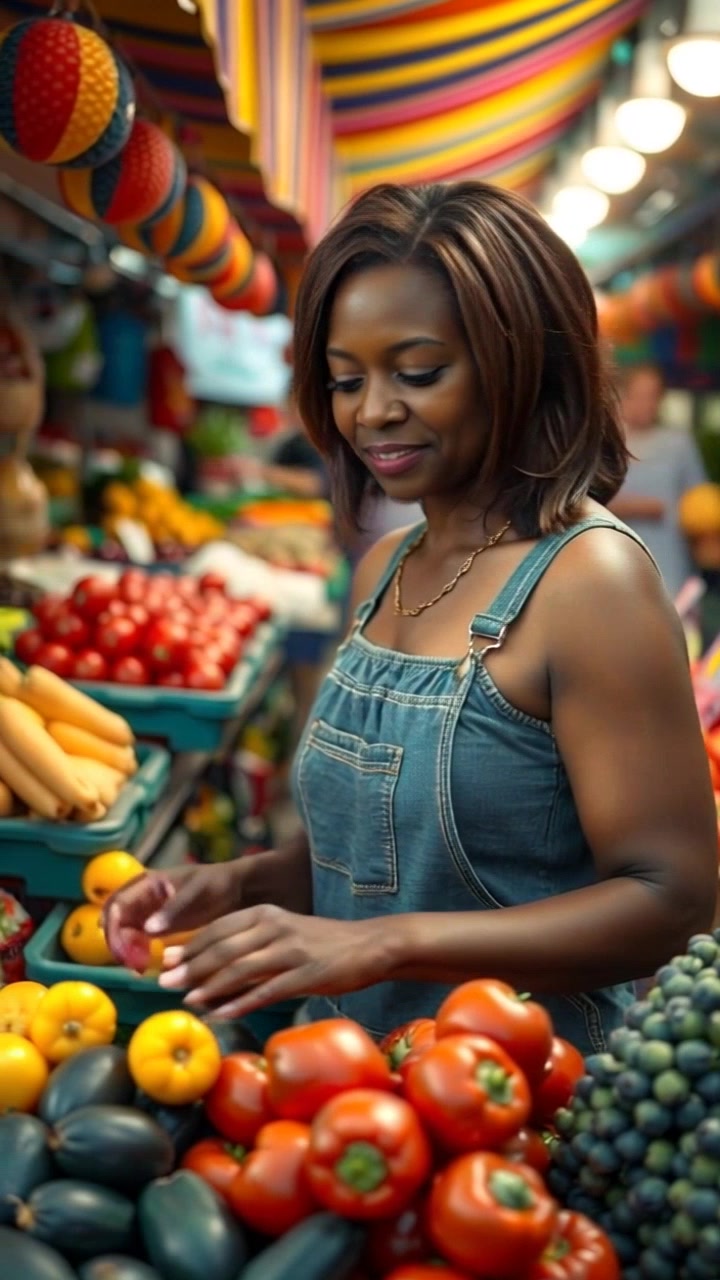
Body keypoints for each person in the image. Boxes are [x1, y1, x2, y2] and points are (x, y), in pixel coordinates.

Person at [105, 182, 716, 1053]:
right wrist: (238, 886)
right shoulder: (384, 570)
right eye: (345, 380)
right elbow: (376, 866)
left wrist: (382, 947)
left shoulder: (589, 581)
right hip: (342, 1090)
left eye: (418, 372)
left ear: (521, 360)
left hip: (507, 1108)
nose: (372, 411)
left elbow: (674, 899)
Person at [610, 363, 706, 599]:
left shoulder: (679, 443)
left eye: (653, 396)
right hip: (615, 562)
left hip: (671, 563)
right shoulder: (607, 444)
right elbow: (583, 502)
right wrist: (631, 508)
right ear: (624, 395)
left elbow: (699, 500)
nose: (646, 403)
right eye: (639, 395)